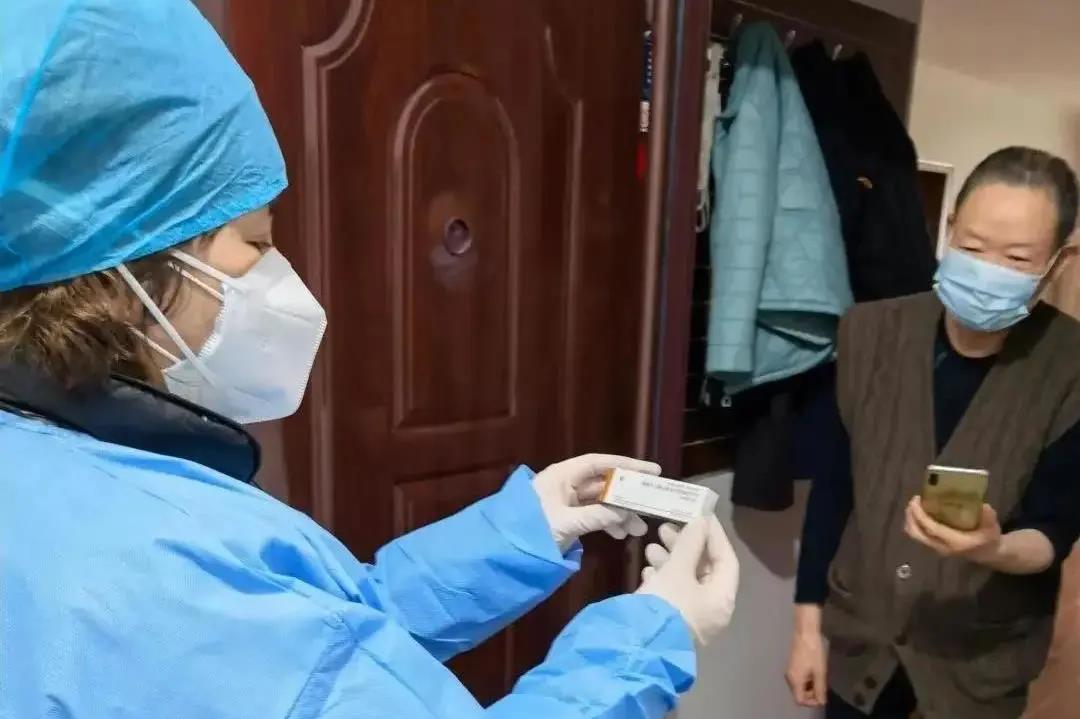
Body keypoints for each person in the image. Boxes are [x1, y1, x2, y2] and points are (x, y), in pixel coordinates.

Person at [0, 2, 740, 717]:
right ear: (124, 270)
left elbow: (318, 648)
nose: (283, 276)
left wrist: (530, 525)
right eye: (255, 242)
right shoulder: (149, 569)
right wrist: (652, 637)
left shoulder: (49, 468)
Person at [785, 146, 1080, 719]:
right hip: (862, 640)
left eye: (1017, 258)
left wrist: (995, 549)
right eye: (972, 247)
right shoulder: (869, 333)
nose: (987, 270)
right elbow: (834, 495)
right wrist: (806, 628)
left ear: (1058, 262)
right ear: (948, 227)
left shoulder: (1069, 368)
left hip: (978, 657)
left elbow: (1054, 532)